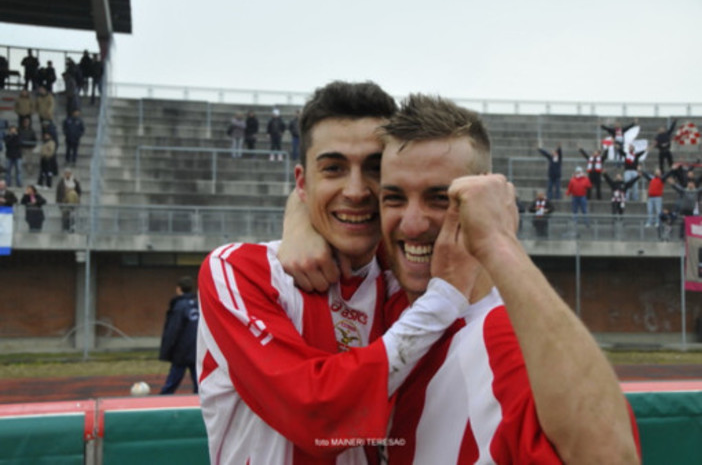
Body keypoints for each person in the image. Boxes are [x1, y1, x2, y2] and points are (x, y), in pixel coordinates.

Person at [283, 94, 640, 463]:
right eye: (394, 198)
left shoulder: (500, 337)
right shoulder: (388, 304)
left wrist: (498, 242)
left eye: (440, 198)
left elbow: (612, 457)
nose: (413, 223)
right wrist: (298, 213)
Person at [198, 82, 472, 464]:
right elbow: (316, 415)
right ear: (302, 182)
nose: (356, 190)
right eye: (333, 169)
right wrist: (445, 297)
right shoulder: (237, 271)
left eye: (374, 169)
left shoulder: (399, 281)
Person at [159, 276, 200, 395]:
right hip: (196, 347)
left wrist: (167, 349)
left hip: (182, 349)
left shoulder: (179, 306)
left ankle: (163, 399)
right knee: (198, 379)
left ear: (179, 289)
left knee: (174, 378)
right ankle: (200, 401)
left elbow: (173, 329)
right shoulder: (197, 304)